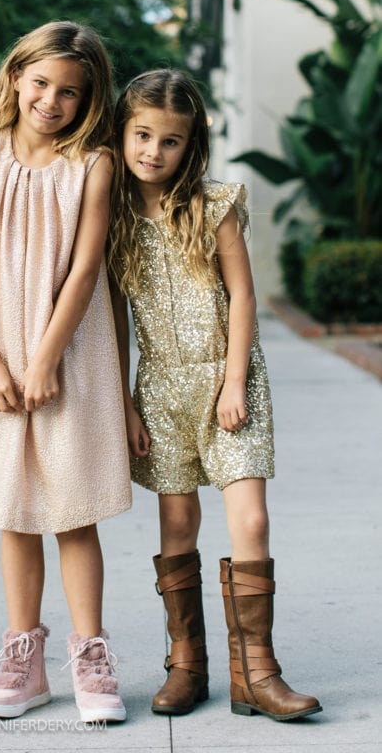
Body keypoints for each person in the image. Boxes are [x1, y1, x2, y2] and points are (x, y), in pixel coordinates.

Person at [108, 70, 322, 722]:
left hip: (228, 382)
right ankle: (188, 664)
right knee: (176, 523)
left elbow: (244, 297)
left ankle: (256, 671)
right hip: (160, 388)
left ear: (190, 145)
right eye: (141, 135)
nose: (152, 151)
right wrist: (124, 402)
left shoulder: (214, 204)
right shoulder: (112, 218)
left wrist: (233, 381)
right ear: (120, 134)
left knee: (249, 518)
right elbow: (113, 319)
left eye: (169, 141)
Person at [0, 21, 132, 723]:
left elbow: (85, 270)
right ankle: (23, 660)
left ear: (87, 101)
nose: (51, 101)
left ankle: (90, 657)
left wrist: (47, 356)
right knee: (14, 513)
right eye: (40, 83)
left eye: (70, 93)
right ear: (15, 76)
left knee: (72, 510)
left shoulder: (94, 164)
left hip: (69, 349)